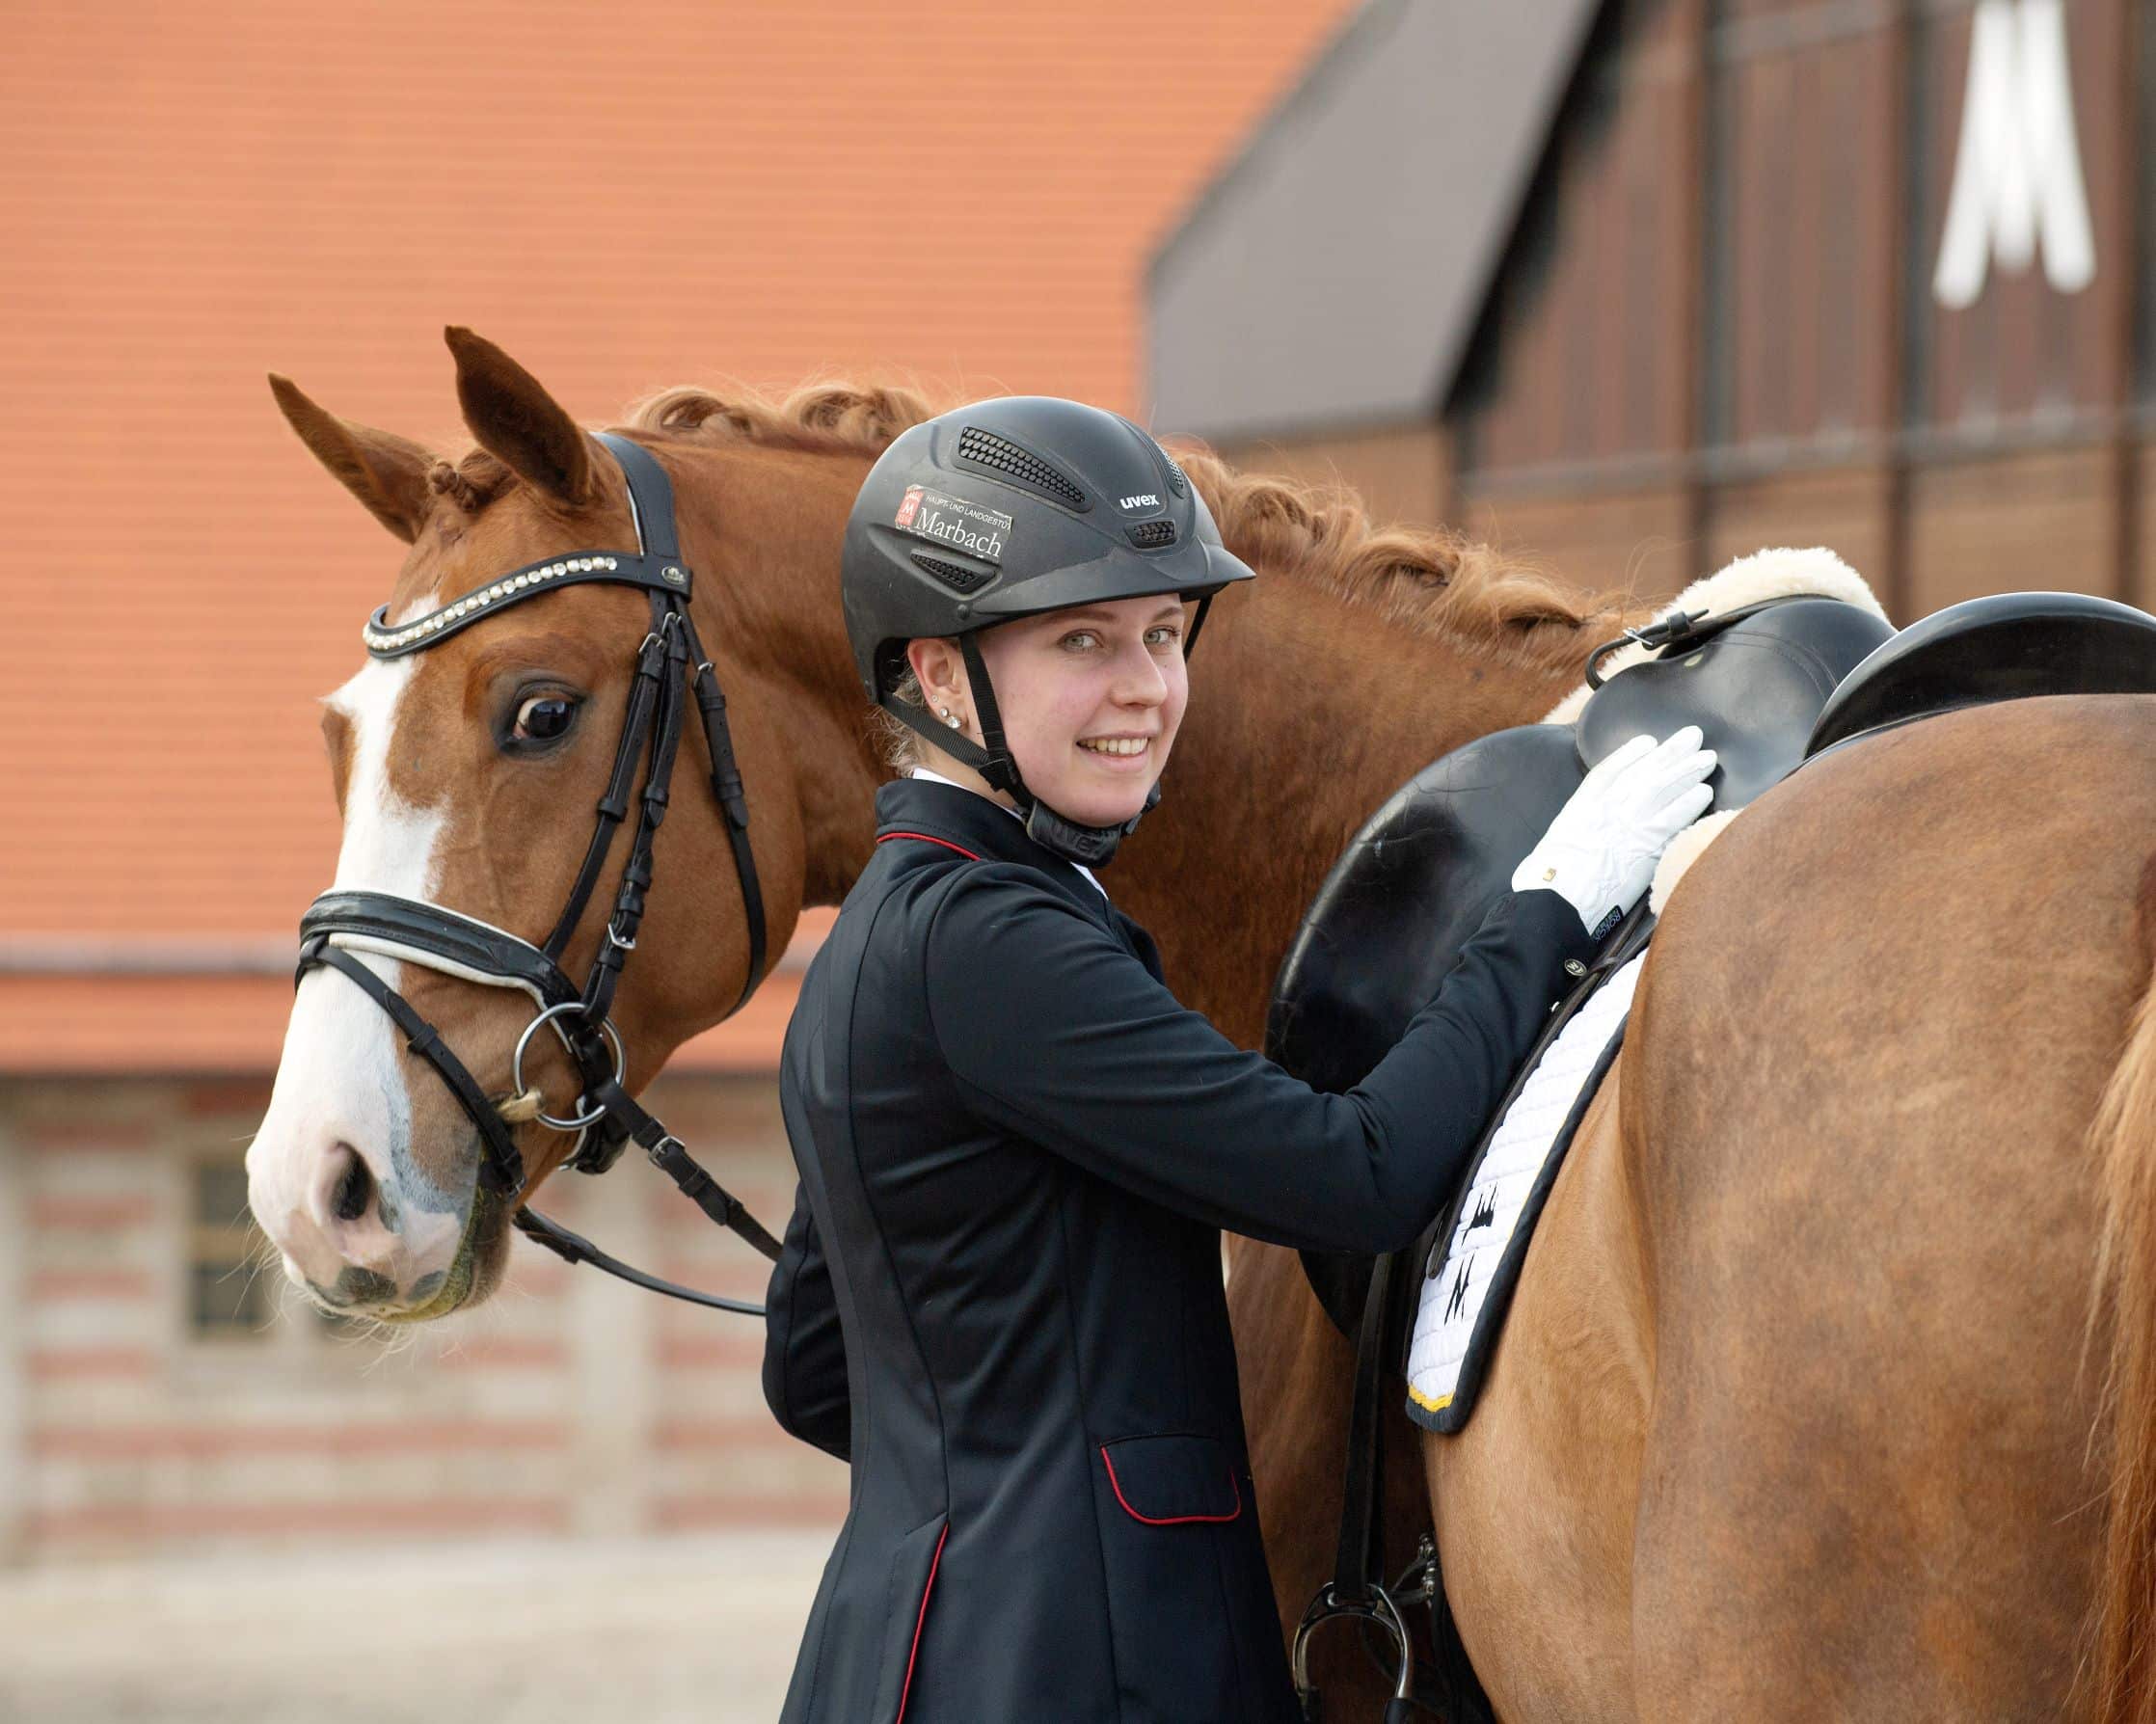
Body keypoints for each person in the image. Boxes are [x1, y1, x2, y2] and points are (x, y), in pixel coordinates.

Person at [762, 396, 1713, 1723]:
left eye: (1163, 635)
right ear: (936, 677)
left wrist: (989, 1464)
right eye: (1083, 642)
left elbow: (814, 1363)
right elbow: (1357, 1175)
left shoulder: (898, 925)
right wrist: (1547, 904)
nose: (1146, 688)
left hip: (923, 1652)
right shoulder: (994, 944)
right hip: (1084, 1668)